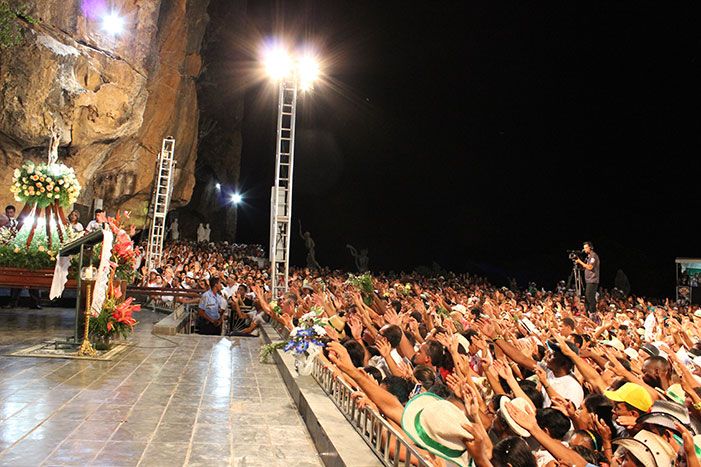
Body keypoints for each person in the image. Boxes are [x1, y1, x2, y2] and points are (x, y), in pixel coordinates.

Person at [575, 241, 599, 319]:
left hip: (593, 280)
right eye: (584, 248)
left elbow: (590, 267)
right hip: (588, 280)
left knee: (590, 297)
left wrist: (580, 261)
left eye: (586, 247)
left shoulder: (593, 256)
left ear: (590, 247)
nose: (584, 249)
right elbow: (584, 267)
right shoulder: (588, 257)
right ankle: (588, 313)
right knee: (587, 298)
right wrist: (579, 263)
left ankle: (593, 313)